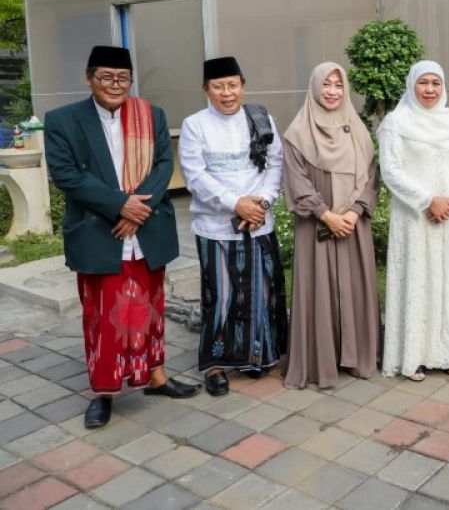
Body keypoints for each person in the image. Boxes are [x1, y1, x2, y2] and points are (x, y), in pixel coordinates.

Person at [45, 45, 200, 429]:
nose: (115, 85)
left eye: (123, 78)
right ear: (89, 78)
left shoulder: (151, 115)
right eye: (106, 77)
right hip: (100, 231)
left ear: (131, 80)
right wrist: (120, 206)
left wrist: (138, 210)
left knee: (151, 308)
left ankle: (156, 376)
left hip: (146, 230)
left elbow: (164, 164)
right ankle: (104, 391)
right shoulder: (63, 120)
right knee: (103, 317)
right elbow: (66, 175)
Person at [179, 56, 287, 396]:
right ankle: (214, 365)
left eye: (232, 85)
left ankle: (253, 357)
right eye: (218, 86)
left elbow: (276, 163)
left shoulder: (261, 118)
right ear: (206, 89)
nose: (227, 93)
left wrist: (262, 203)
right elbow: (195, 176)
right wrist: (235, 203)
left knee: (259, 291)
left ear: (243, 85)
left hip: (259, 222)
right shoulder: (195, 125)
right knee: (221, 294)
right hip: (215, 227)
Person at [378, 60, 449, 381]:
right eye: (423, 82)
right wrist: (427, 201)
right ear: (412, 85)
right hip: (413, 218)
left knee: (447, 279)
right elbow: (390, 170)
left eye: (436, 83)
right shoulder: (396, 122)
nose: (430, 90)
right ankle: (415, 357)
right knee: (417, 279)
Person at [282, 62, 379, 389]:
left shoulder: (358, 129)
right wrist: (326, 215)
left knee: (354, 287)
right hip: (317, 227)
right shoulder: (298, 133)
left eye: (339, 85)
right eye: (326, 84)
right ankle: (320, 362)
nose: (333, 91)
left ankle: (356, 356)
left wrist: (354, 212)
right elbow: (297, 181)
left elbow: (371, 176)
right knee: (319, 289)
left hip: (353, 225)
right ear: (314, 87)